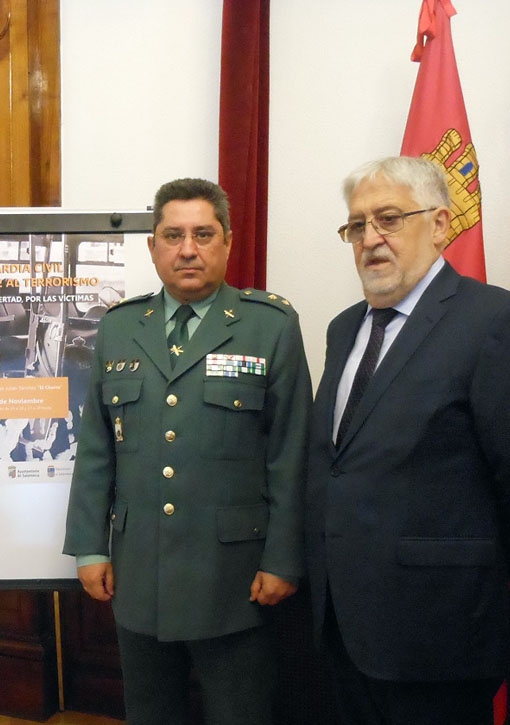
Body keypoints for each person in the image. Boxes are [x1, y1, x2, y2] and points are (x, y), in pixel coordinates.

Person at [305, 156, 510, 724]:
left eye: (389, 219)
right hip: (343, 622)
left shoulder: (497, 321)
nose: (370, 239)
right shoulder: (343, 327)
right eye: (356, 225)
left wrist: (472, 571)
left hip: (439, 628)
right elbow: (337, 465)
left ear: (442, 224)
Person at [63, 177, 312, 724]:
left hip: (236, 577)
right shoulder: (121, 327)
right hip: (139, 572)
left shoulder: (269, 327)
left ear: (227, 242)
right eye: (172, 235)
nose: (188, 248)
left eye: (203, 233)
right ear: (153, 247)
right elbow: (97, 447)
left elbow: (292, 454)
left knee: (240, 714)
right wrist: (89, 546)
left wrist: (284, 559)